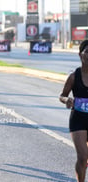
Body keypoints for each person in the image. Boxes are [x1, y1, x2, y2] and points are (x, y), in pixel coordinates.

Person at [59, 40, 88, 182]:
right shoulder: (73, 76)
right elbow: (62, 95)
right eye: (87, 52)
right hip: (78, 120)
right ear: (80, 55)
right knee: (82, 158)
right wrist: (67, 100)